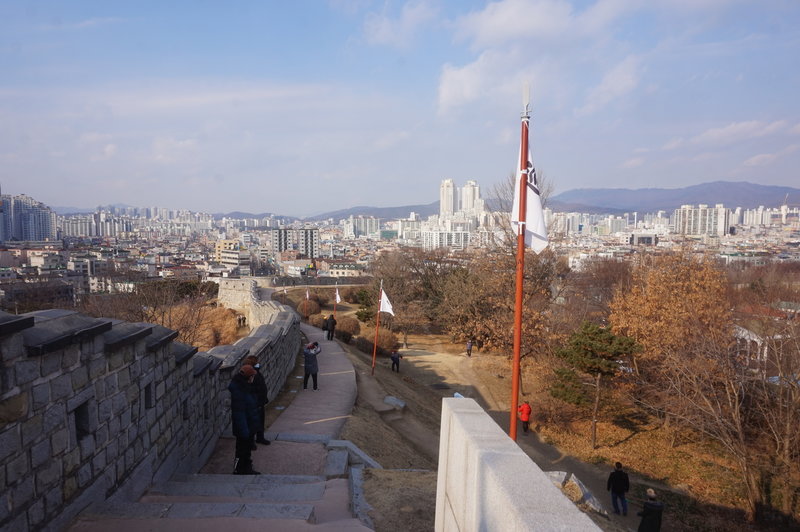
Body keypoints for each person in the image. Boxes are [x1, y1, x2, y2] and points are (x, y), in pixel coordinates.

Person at [228, 364, 261, 475]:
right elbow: (239, 413)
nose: (253, 379)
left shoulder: (244, 388)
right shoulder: (240, 392)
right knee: (242, 450)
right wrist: (245, 431)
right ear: (248, 377)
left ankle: (245, 468)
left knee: (245, 451)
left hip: (248, 426)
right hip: (244, 428)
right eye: (252, 376)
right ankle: (239, 469)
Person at [244, 355, 270, 447]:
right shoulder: (250, 374)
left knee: (260, 421)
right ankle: (251, 442)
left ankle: (260, 437)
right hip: (254, 403)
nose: (259, 363)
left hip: (260, 401)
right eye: (257, 362)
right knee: (253, 422)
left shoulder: (257, 372)